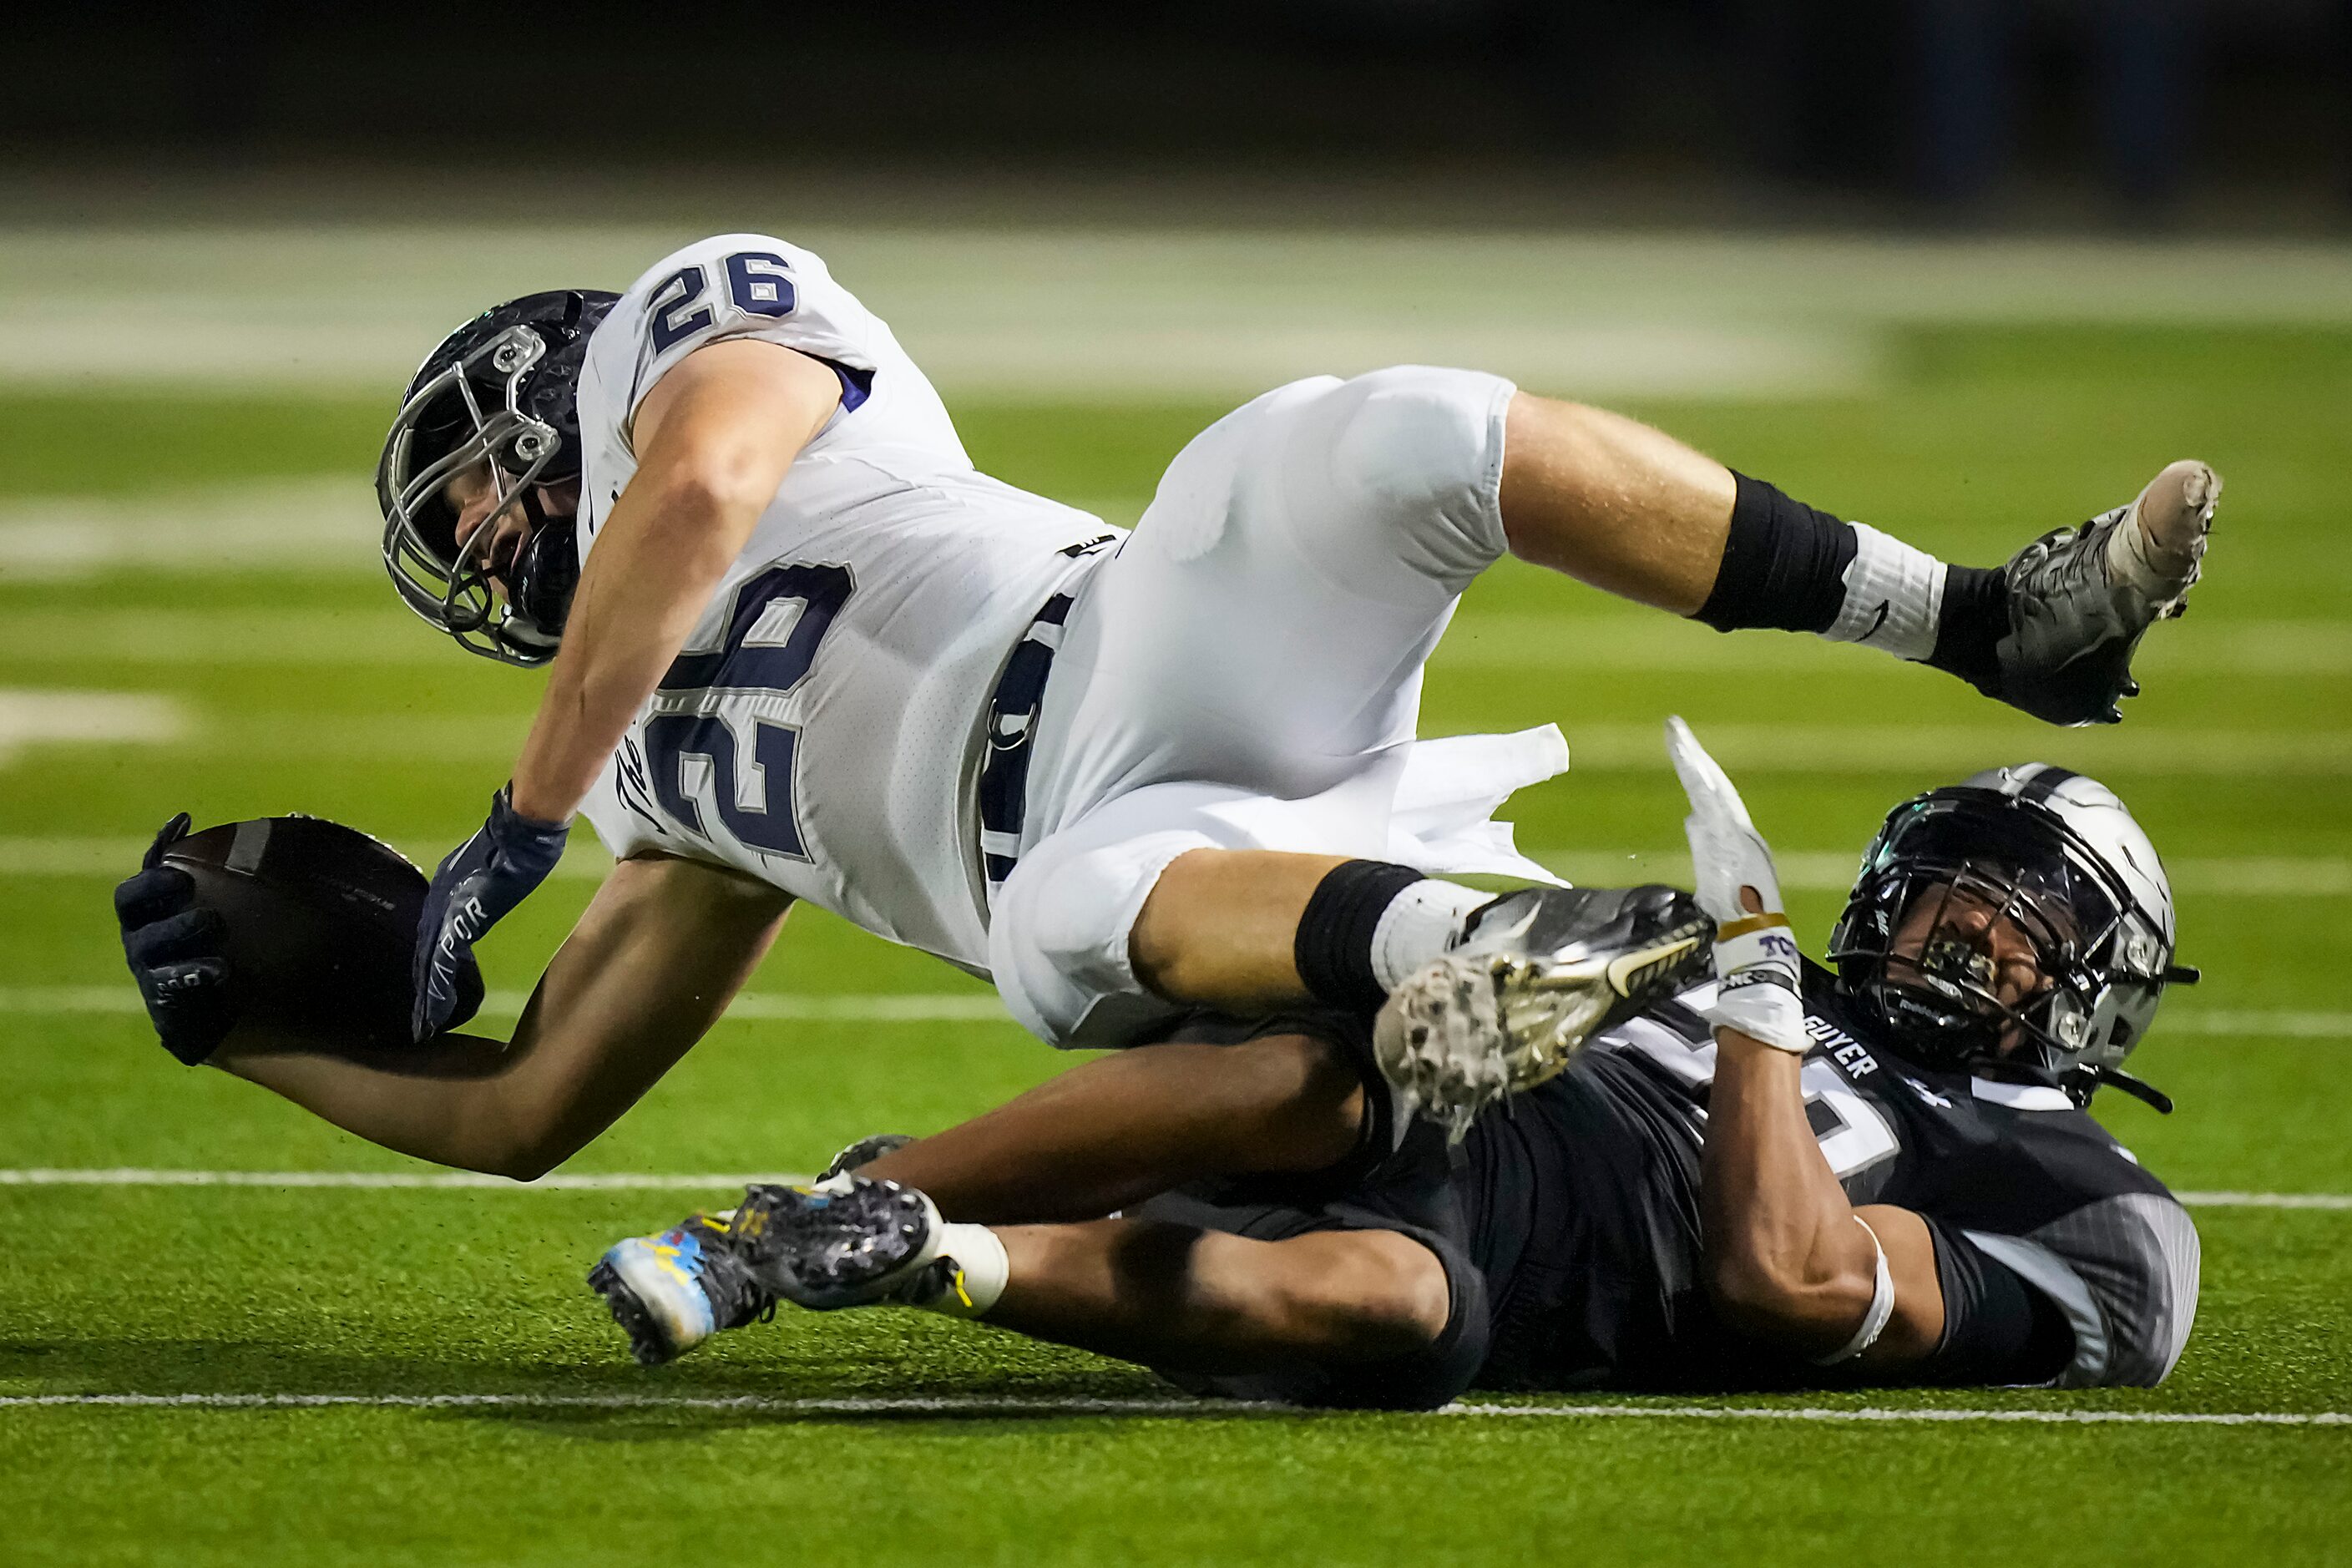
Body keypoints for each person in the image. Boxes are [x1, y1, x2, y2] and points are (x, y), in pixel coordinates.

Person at [113, 231, 2213, 1191]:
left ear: (564, 372)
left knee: (1368, 434)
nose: (484, 532)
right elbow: (518, 1113)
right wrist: (263, 1043)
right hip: (1147, 881)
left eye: (479, 472)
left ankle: (1980, 618)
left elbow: (702, 492)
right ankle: (1487, 951)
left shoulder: (706, 345)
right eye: (457, 532)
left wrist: (519, 813)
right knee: (1046, 928)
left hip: (1147, 647)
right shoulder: (659, 797)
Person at [594, 732, 2202, 1405]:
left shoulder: (2076, 1205)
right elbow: (1504, 980)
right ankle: (773, 1234)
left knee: (1396, 1316)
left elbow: (1781, 1273)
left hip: (1554, 1269)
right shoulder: (1741, 967)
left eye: (1999, 937)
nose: (1942, 944)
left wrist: (1761, 999)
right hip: (1448, 1095)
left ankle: (934, 1250)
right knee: (1312, 1078)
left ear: (2094, 988)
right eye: (1934, 897)